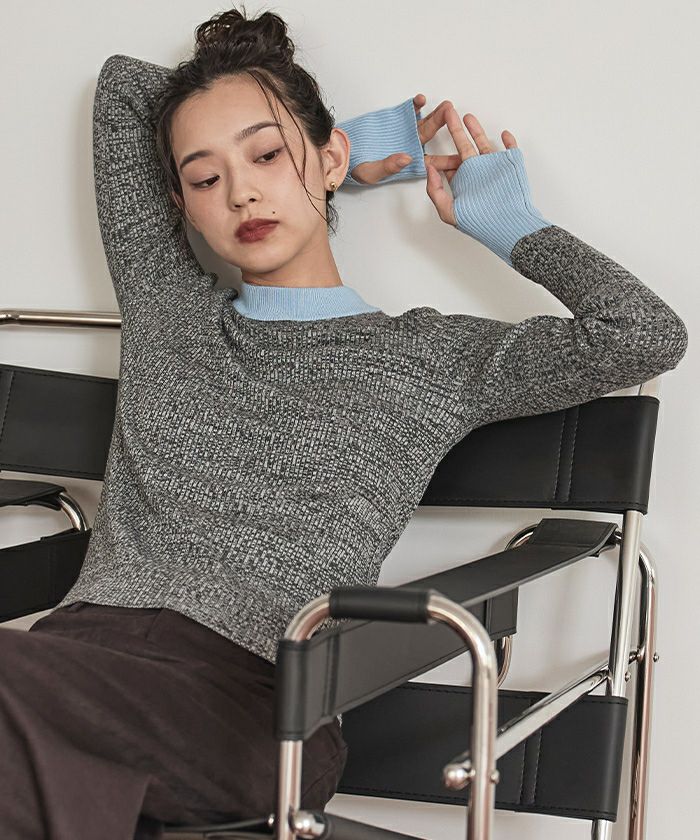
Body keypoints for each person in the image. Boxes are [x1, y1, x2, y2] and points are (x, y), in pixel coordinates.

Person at [2, 3, 688, 839]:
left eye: (266, 155)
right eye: (206, 179)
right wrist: (334, 150)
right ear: (181, 204)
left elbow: (642, 335)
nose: (241, 191)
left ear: (326, 158)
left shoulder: (430, 358)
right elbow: (123, 89)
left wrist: (508, 225)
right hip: (69, 662)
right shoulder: (172, 314)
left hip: (254, 704)